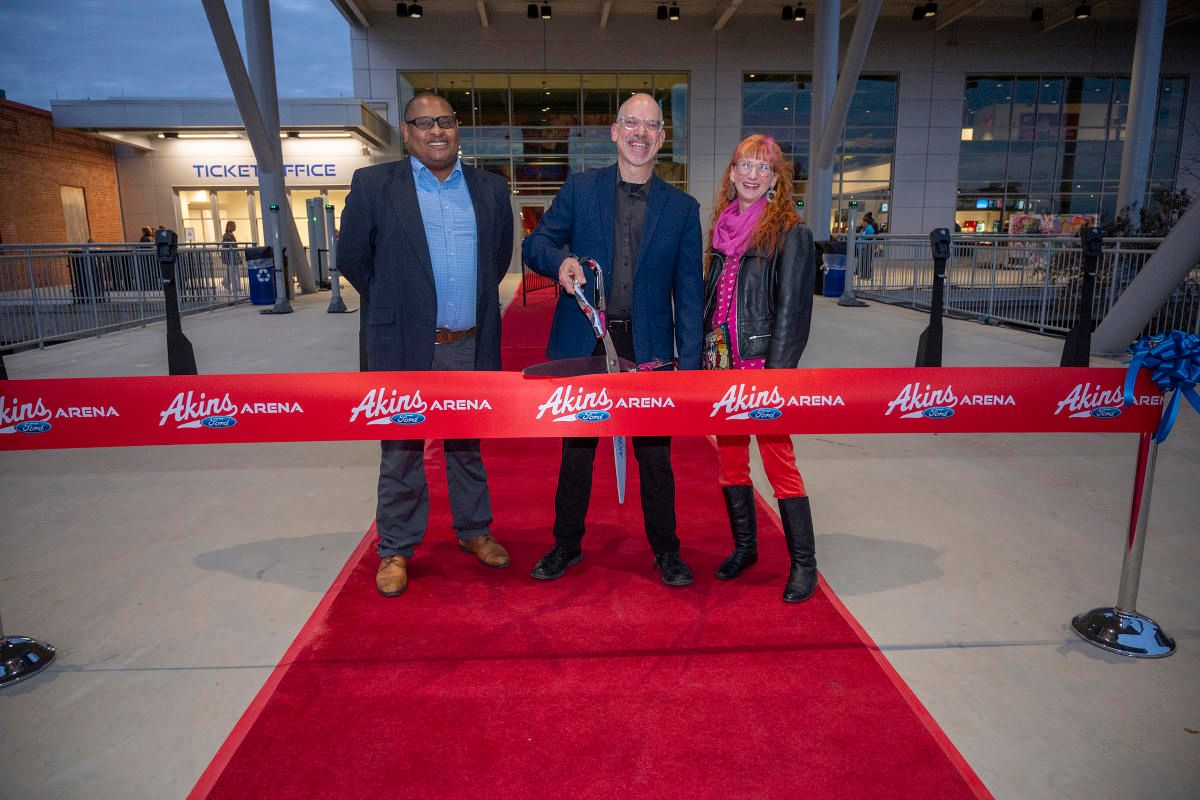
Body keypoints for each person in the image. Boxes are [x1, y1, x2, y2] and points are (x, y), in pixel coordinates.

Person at [338, 92, 515, 598]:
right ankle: (395, 547)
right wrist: (400, 305)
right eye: (424, 123)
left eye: (446, 121)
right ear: (407, 131)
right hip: (400, 345)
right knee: (400, 450)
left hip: (469, 342)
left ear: (457, 128)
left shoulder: (488, 189)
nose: (437, 131)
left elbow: (498, 258)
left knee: (467, 444)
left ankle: (474, 530)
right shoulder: (375, 185)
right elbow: (354, 257)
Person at [522, 92, 703, 587]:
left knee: (656, 459)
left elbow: (689, 294)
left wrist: (688, 369)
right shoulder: (580, 189)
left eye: (651, 125)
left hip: (648, 352)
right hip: (584, 346)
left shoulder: (683, 208)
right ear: (614, 131)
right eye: (631, 123)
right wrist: (558, 261)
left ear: (662, 137)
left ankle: (666, 550)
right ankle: (565, 545)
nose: (640, 132)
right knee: (576, 454)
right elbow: (535, 243)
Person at [701, 133, 819, 603]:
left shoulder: (791, 232)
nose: (751, 174)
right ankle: (746, 548)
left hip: (761, 371)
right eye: (744, 166)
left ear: (775, 179)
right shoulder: (720, 227)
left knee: (780, 466)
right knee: (730, 465)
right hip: (721, 369)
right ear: (732, 173)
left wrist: (775, 379)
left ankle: (804, 564)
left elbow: (793, 314)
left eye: (762, 168)